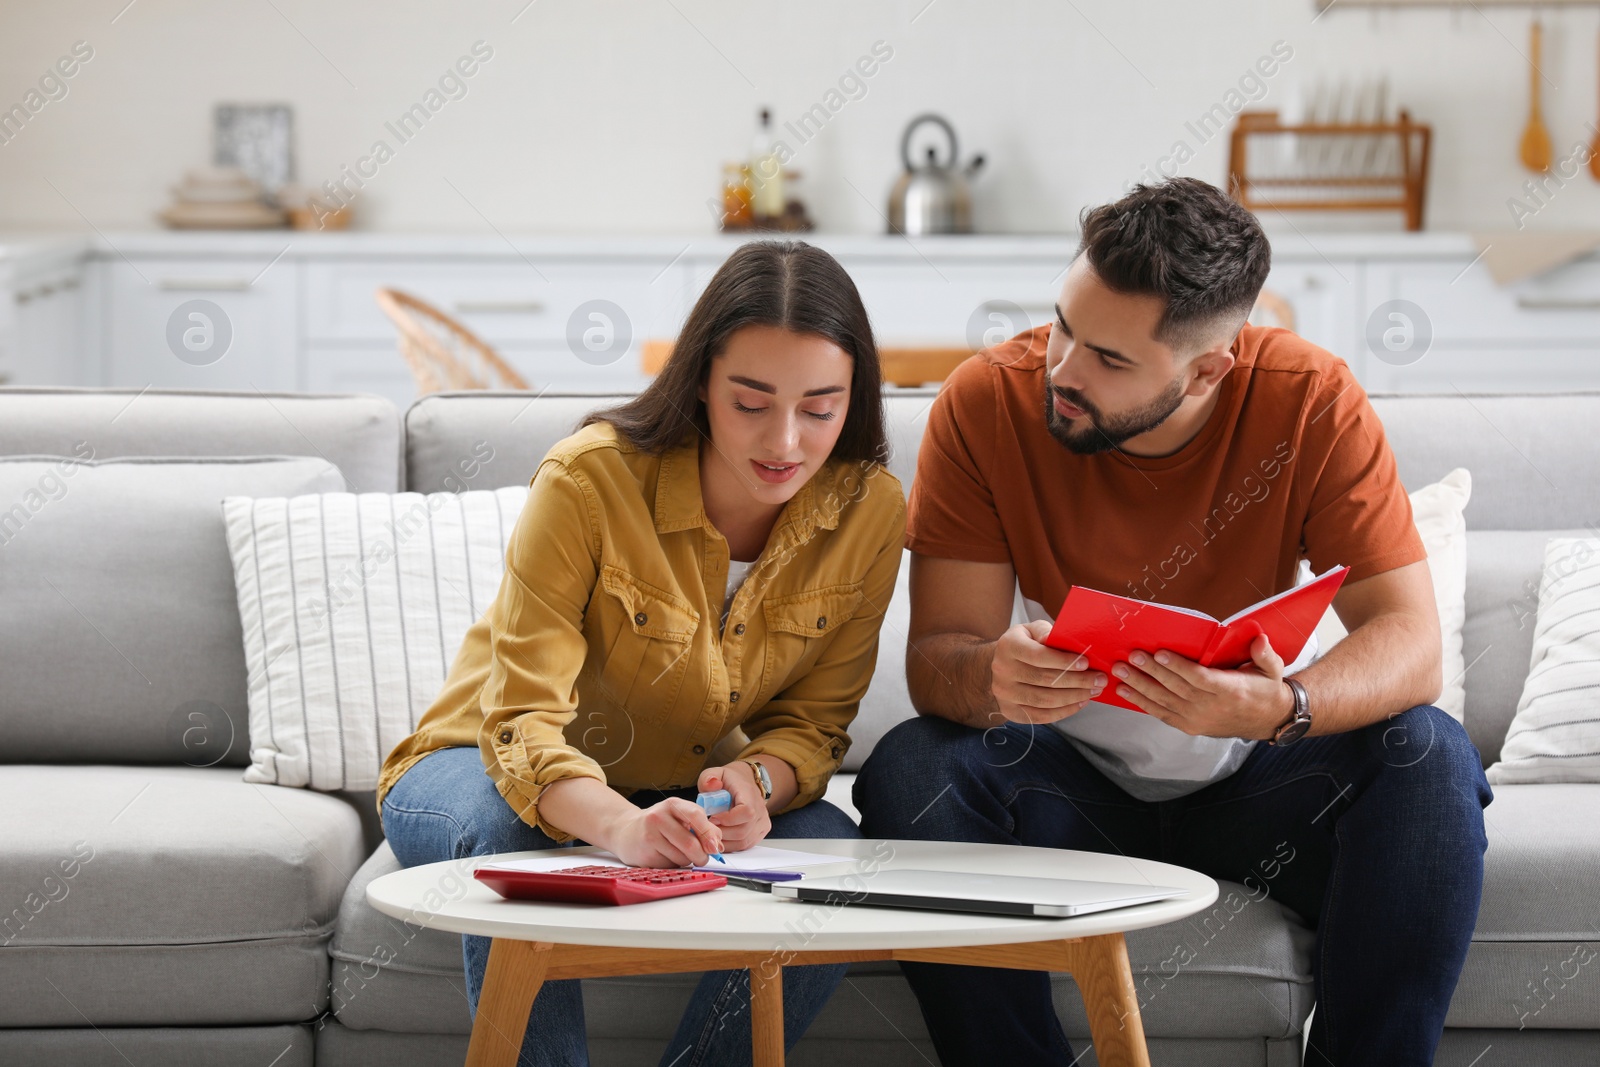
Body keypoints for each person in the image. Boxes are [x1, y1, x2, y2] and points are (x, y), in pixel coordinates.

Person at [853, 177, 1491, 1066]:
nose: (1063, 372)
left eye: (1110, 361)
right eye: (1065, 327)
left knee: (1430, 754)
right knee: (913, 765)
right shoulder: (987, 401)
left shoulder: (1309, 399)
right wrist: (992, 677)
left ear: (1208, 369)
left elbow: (1412, 645)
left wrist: (1282, 708)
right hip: (1064, 785)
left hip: (1259, 782)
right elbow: (937, 662)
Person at [376, 239, 906, 1067]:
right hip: (476, 761)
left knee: (833, 842)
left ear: (855, 399)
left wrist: (758, 782)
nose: (786, 439)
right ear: (701, 381)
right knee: (507, 832)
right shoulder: (589, 481)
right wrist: (620, 825)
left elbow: (813, 725)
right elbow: (517, 725)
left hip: (675, 781)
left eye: (820, 406)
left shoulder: (869, 510)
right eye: (751, 401)